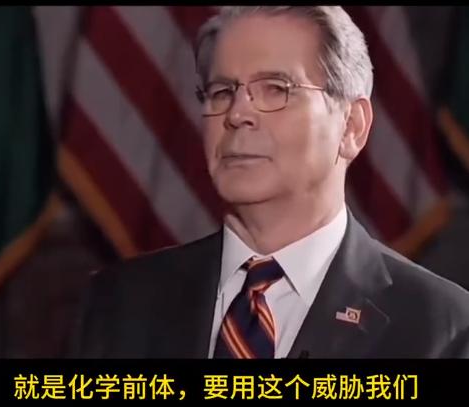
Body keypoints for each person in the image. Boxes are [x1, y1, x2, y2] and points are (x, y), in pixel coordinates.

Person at [70, 6, 469, 358]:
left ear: (351, 126)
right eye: (222, 91)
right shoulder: (118, 302)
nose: (237, 114)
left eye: (276, 89)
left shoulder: (442, 328)